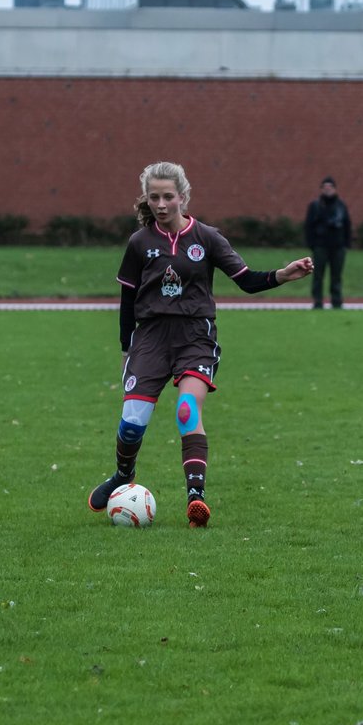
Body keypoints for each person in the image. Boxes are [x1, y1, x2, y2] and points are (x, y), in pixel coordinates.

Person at [87, 161, 313, 528]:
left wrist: (283, 275)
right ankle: (122, 475)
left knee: (187, 409)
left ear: (183, 197)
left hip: (195, 335)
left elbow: (246, 280)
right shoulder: (139, 242)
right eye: (154, 197)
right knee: (132, 422)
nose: (161, 205)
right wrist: (127, 348)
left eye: (168, 197)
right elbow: (128, 300)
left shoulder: (206, 237)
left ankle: (196, 498)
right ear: (146, 198)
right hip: (151, 338)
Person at [304, 176, 352, 310]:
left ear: (335, 189)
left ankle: (337, 301)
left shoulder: (341, 205)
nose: (327, 190)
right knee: (318, 275)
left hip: (338, 246)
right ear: (321, 189)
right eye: (325, 188)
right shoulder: (315, 206)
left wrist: (346, 243)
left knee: (336, 275)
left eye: (330, 187)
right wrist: (311, 244)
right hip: (320, 246)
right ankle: (317, 301)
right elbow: (308, 226)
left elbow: (347, 224)